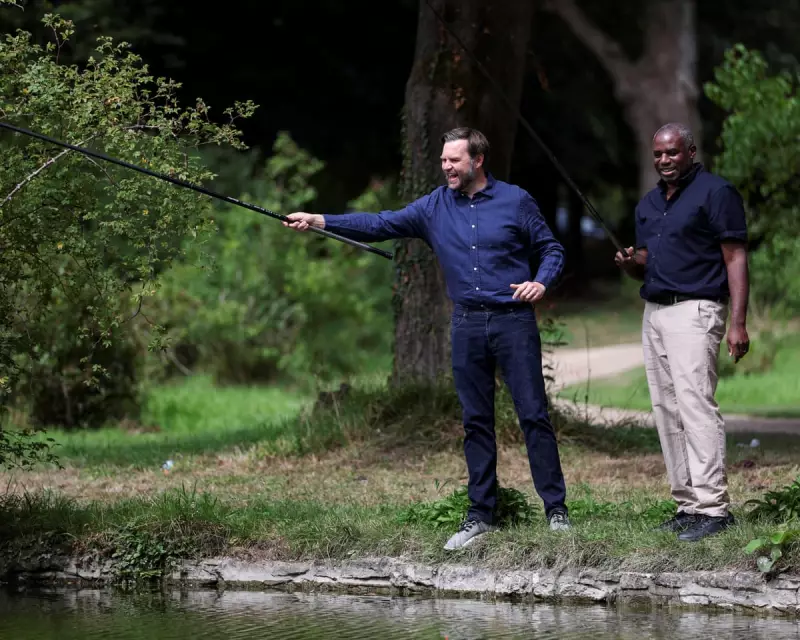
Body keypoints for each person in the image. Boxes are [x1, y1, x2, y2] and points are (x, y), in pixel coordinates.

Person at [284, 127, 571, 550]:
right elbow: (380, 223)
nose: (446, 167)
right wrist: (320, 220)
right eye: (443, 160)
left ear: (477, 160)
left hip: (513, 322)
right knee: (476, 421)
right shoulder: (434, 206)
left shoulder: (516, 201)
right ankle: (481, 515)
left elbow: (552, 250)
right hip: (467, 324)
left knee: (533, 415)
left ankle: (556, 512)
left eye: (454, 160)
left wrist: (541, 282)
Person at [615, 122, 749, 542]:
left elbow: (735, 258)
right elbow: (647, 262)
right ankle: (687, 505)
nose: (664, 160)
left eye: (672, 152)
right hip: (655, 311)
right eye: (658, 154)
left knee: (695, 406)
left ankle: (714, 508)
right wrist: (630, 263)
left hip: (696, 310)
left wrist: (738, 323)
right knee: (666, 409)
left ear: (691, 151)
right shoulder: (649, 203)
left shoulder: (716, 193)